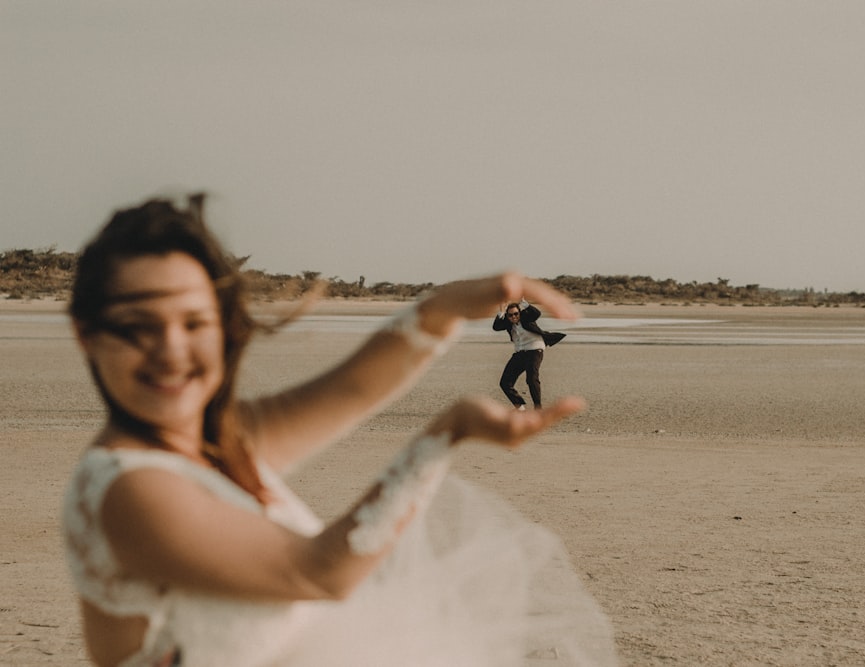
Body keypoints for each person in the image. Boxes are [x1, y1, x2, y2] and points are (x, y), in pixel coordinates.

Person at [61, 195, 617, 666]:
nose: (171, 351)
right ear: (86, 334)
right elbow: (322, 573)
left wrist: (444, 308)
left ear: (225, 328)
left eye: (194, 323)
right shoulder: (128, 490)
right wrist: (444, 436)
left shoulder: (214, 443)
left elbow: (350, 389)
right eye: (138, 326)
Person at [492, 299, 566, 410]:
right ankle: (520, 406)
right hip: (520, 352)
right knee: (505, 383)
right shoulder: (508, 323)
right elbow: (496, 327)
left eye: (516, 314)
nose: (513, 317)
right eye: (510, 315)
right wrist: (501, 311)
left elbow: (537, 313)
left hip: (535, 349)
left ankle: (538, 408)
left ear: (520, 313)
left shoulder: (526, 318)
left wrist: (522, 302)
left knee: (531, 378)